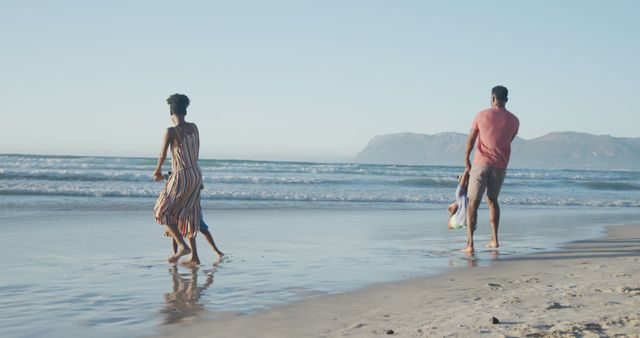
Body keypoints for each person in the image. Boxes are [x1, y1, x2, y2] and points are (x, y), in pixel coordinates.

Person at [463, 85, 519, 253]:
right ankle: (494, 239)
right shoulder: (514, 120)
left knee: (473, 201)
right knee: (492, 200)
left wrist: (466, 158)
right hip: (500, 165)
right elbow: (509, 140)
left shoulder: (481, 115)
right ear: (507, 100)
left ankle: (470, 244)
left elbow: (471, 139)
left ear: (492, 98)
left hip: (481, 163)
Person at [153, 93, 203, 264]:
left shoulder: (171, 131)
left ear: (171, 111)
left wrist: (157, 170)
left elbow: (162, 154)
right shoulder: (194, 127)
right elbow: (194, 151)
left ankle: (182, 247)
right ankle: (194, 257)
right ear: (185, 110)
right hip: (196, 173)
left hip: (181, 174)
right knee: (189, 212)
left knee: (162, 211)